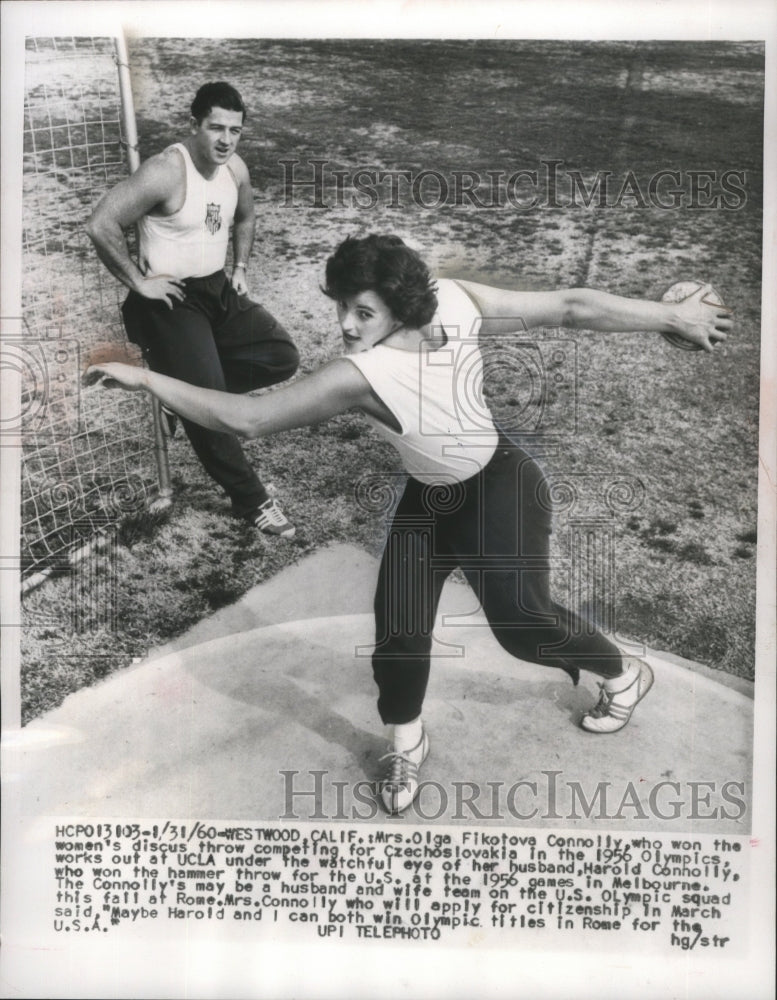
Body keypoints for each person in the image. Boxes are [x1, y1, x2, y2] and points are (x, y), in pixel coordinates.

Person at [85, 234, 732, 815]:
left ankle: (620, 674)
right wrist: (668, 315)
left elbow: (568, 306)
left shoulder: (431, 319)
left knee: (521, 626)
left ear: (401, 305)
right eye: (340, 306)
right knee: (398, 626)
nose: (343, 324)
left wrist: (668, 317)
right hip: (430, 499)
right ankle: (406, 741)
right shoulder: (374, 358)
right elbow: (247, 417)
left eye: (360, 311)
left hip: (500, 488)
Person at [85, 81, 299, 537]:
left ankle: (180, 397)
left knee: (281, 356)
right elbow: (101, 222)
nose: (226, 139)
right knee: (215, 413)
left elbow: (245, 216)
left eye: (235, 131)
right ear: (194, 125)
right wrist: (139, 281)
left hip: (216, 290)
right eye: (216, 128)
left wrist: (240, 265)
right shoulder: (166, 170)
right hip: (170, 303)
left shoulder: (234, 168)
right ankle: (253, 500)